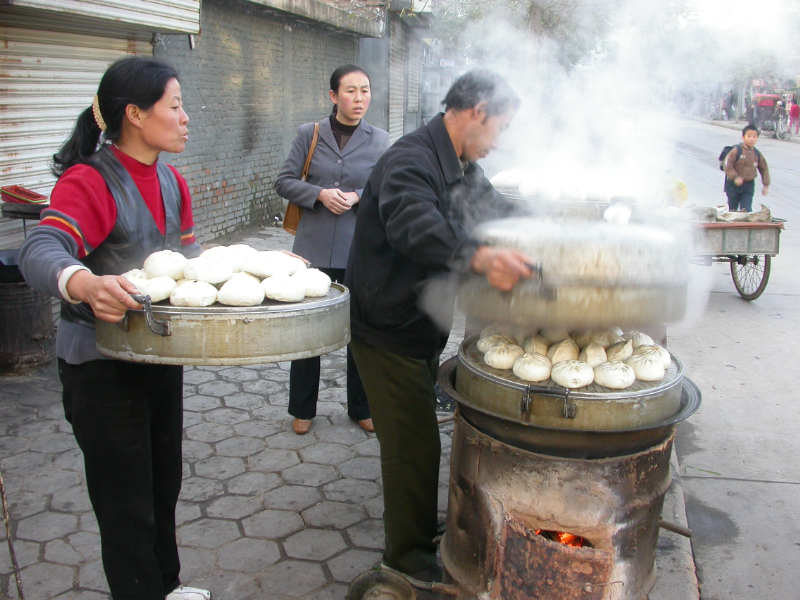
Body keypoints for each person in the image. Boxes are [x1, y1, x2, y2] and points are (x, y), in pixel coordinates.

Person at [19, 57, 210, 600]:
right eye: (175, 106)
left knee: (162, 485)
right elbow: (41, 248)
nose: (185, 117)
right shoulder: (90, 181)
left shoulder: (171, 181)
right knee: (126, 505)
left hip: (158, 356)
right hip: (101, 368)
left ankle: (166, 586)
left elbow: (187, 261)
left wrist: (245, 269)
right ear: (135, 114)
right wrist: (82, 282)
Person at [345, 70, 532, 588]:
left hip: (419, 323)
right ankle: (405, 561)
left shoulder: (459, 165)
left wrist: (553, 226)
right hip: (387, 330)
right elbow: (414, 227)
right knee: (413, 447)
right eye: (500, 128)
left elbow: (497, 210)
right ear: (477, 113)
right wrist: (481, 257)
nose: (499, 141)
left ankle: (416, 537)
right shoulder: (411, 160)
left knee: (418, 438)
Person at [275, 65, 390, 435]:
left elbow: (388, 187)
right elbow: (284, 181)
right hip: (313, 248)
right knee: (308, 329)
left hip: (360, 248)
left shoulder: (381, 140)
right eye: (350, 91)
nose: (359, 98)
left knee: (360, 331)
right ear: (333, 95)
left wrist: (358, 196)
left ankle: (362, 407)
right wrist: (319, 194)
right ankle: (302, 409)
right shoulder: (309, 134)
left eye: (365, 90)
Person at [723, 125, 770, 212]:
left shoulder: (756, 153)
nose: (752, 139)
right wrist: (735, 177)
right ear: (743, 137)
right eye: (749, 136)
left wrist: (766, 185)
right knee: (731, 210)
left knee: (746, 210)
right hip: (733, 185)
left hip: (748, 185)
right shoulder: (736, 151)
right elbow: (727, 165)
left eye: (754, 137)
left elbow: (764, 168)